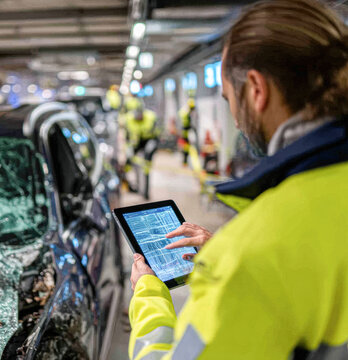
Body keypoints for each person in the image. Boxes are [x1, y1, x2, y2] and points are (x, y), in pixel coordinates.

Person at [128, 0, 348, 359]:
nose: (234, 118)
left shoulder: (253, 253)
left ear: (257, 90)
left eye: (230, 98)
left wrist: (148, 295)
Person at [123, 105, 161, 198]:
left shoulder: (151, 117)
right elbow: (128, 136)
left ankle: (146, 192)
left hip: (150, 139)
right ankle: (129, 185)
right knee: (127, 162)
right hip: (138, 141)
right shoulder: (129, 119)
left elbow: (157, 133)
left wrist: (152, 146)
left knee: (146, 162)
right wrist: (129, 149)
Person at [178, 98, 196, 166]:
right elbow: (188, 124)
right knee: (186, 148)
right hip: (186, 133)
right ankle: (185, 162)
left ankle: (185, 162)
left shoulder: (184, 111)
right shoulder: (187, 113)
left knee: (185, 148)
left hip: (184, 132)